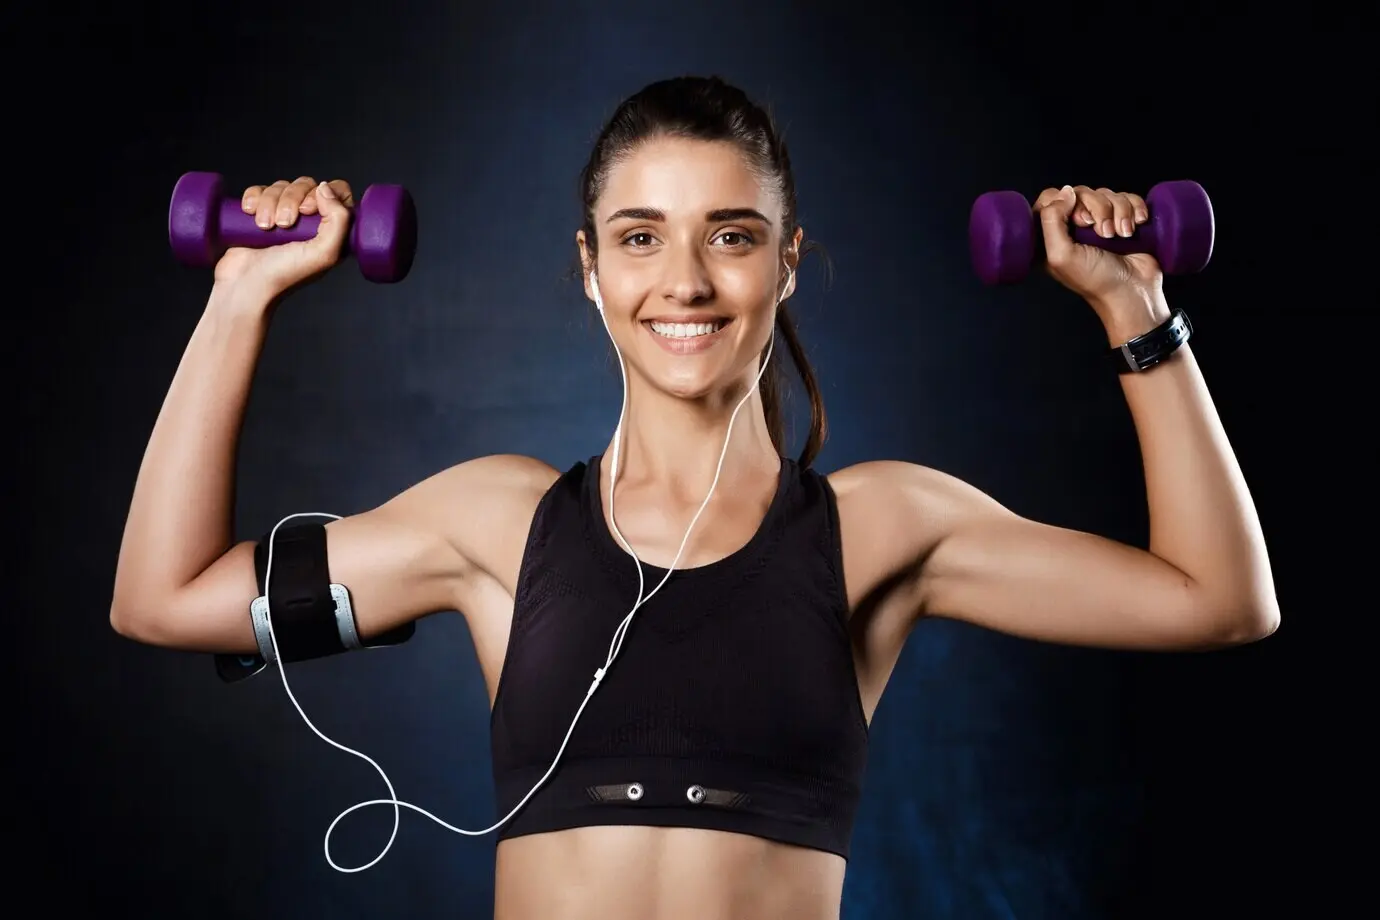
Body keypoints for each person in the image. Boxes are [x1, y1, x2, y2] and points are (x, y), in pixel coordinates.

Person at [110, 75, 1279, 920]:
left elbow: (1220, 599)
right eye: (639, 237)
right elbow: (163, 597)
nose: (684, 280)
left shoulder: (881, 527)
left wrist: (1134, 307)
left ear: (785, 259)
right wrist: (239, 296)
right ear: (589, 267)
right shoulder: (497, 526)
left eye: (730, 235)